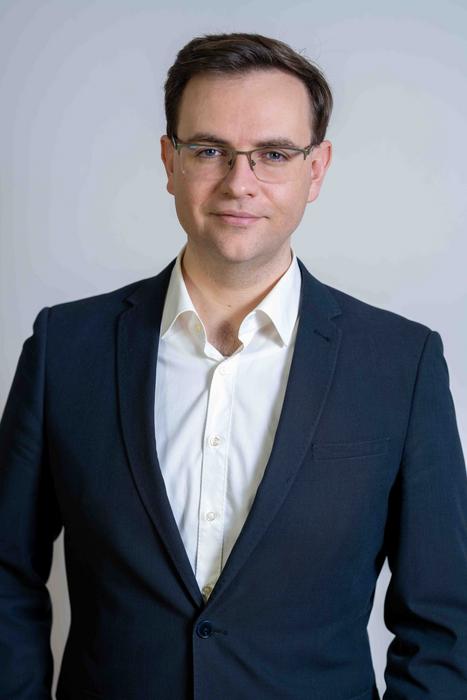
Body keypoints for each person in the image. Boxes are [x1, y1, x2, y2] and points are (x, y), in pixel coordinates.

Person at [0, 31, 466, 700]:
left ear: (316, 168)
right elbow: (6, 573)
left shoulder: (400, 363)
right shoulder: (65, 347)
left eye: (273, 154)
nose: (238, 182)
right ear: (169, 161)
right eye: (209, 150)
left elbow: (444, 622)